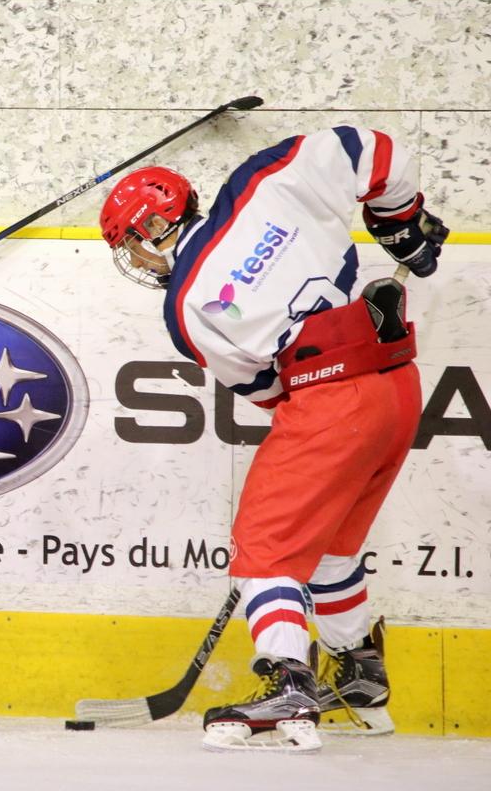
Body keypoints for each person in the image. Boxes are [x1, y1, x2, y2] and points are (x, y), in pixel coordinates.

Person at [98, 125, 448, 752]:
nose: (138, 260)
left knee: (265, 548)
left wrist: (324, 405)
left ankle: (288, 678)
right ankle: (360, 673)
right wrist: (400, 222)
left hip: (330, 399)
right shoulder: (264, 179)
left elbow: (267, 392)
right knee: (334, 546)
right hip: (396, 386)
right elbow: (377, 150)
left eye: (131, 243)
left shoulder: (186, 307)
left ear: (153, 228)